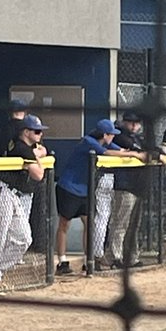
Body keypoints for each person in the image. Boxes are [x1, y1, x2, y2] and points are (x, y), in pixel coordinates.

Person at [54, 119, 136, 276]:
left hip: (85, 190)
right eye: (111, 135)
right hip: (69, 188)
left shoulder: (105, 143)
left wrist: (133, 152)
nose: (113, 137)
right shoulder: (89, 141)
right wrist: (131, 153)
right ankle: (62, 261)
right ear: (104, 134)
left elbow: (119, 151)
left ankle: (88, 261)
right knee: (65, 224)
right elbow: (106, 153)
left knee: (89, 224)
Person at [0, 114, 48, 289]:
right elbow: (39, 174)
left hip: (14, 194)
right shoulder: (21, 147)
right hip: (1, 190)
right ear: (26, 132)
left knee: (24, 238)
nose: (40, 135)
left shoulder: (24, 145)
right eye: (36, 132)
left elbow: (43, 150)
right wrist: (38, 157)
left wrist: (38, 152)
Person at [102, 111, 149, 269]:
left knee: (134, 225)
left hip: (138, 186)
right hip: (124, 185)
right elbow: (132, 147)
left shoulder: (138, 137)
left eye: (136, 122)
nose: (134, 125)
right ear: (124, 122)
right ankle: (114, 257)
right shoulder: (119, 135)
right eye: (130, 122)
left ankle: (131, 257)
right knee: (120, 223)